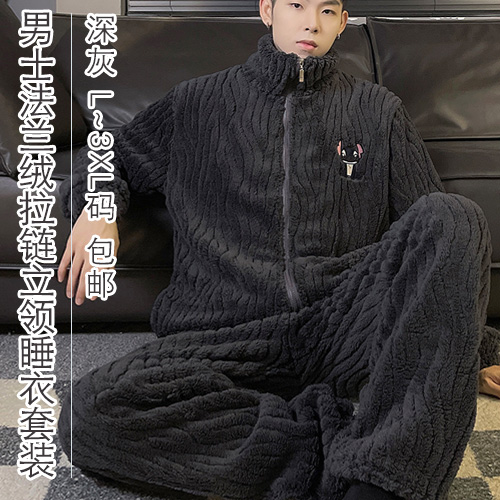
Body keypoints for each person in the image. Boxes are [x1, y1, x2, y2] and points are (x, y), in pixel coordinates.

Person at [56, 0, 500, 499]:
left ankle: (381, 485)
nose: (311, 21)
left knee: (455, 214)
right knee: (90, 411)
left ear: (342, 22)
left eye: (327, 10)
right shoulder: (194, 103)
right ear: (267, 10)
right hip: (223, 337)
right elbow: (104, 157)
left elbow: (434, 247)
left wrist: (469, 348)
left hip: (343, 327)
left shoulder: (379, 110)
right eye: (296, 4)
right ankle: (335, 449)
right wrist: (98, 209)